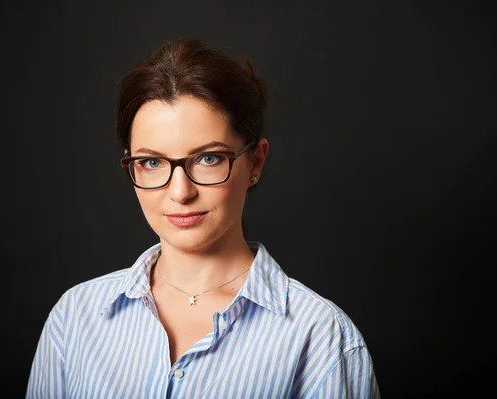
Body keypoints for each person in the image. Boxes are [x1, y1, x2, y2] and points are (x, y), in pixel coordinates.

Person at [26, 37, 381, 398]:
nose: (180, 192)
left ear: (255, 161)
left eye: (208, 159)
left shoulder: (320, 337)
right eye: (151, 162)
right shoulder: (75, 317)